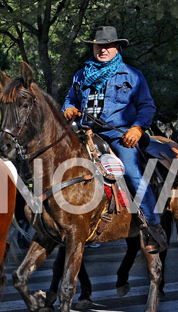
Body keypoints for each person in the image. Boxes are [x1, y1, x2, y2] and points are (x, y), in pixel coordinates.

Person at [63, 25, 167, 253]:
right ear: (94, 48)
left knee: (131, 172)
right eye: (99, 46)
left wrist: (138, 128)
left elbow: (147, 106)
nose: (103, 50)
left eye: (108, 46)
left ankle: (154, 226)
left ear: (117, 47)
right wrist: (69, 108)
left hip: (120, 134)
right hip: (85, 133)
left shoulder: (132, 75)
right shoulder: (81, 76)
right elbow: (70, 99)